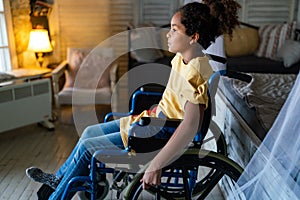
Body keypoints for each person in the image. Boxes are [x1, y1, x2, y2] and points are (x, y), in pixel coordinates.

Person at [25, 2, 239, 199]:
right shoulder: (183, 58)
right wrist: (163, 105)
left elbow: (190, 125)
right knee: (90, 131)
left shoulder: (194, 71)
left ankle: (56, 196)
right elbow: (177, 99)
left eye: (174, 29)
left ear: (193, 37)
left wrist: (156, 164)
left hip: (158, 133)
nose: (168, 34)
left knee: (89, 147)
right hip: (154, 120)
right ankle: (59, 180)